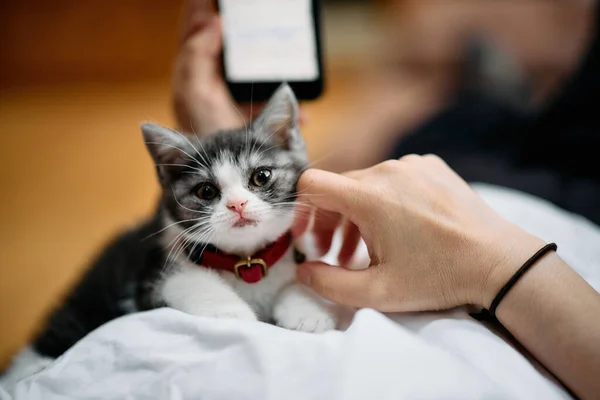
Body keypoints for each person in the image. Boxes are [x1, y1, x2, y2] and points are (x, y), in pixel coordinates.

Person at [171, 1, 600, 399]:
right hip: (521, 172)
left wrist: (494, 266)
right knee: (460, 126)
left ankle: (492, 90)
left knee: (448, 126)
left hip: (538, 186)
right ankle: (499, 90)